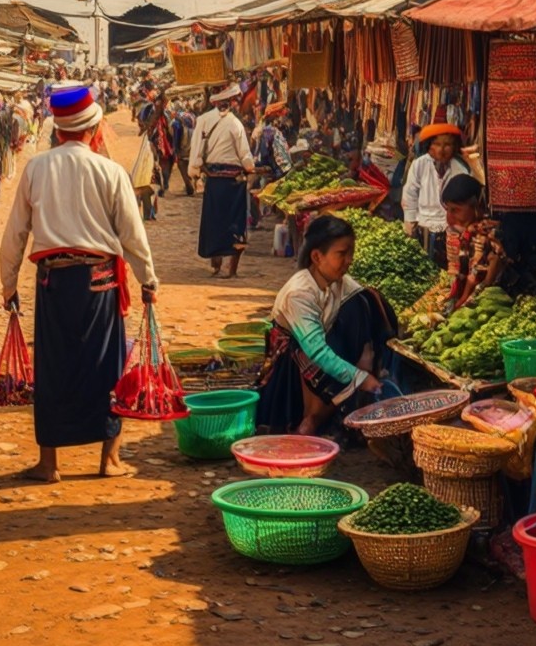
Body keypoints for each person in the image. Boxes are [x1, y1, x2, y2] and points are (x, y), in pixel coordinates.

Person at [0, 84, 159, 482]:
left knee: (53, 369)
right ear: (93, 129)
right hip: (99, 283)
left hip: (53, 283)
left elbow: (15, 233)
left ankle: (49, 463)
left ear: (58, 130)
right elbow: (132, 234)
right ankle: (110, 460)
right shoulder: (110, 171)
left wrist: (8, 286)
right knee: (107, 369)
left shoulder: (36, 167)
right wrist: (148, 280)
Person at [256, 214, 394, 434]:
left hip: (317, 352)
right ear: (317, 257)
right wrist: (360, 377)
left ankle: (321, 414)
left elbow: (366, 303)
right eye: (341, 253)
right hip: (292, 363)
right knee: (324, 359)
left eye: (351, 253)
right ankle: (311, 419)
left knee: (363, 301)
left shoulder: (339, 282)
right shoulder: (299, 294)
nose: (349, 260)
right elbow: (317, 352)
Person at [190, 85, 254, 278]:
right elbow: (244, 155)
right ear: (231, 102)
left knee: (214, 221)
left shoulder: (202, 120)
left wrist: (194, 170)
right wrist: (250, 168)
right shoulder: (235, 124)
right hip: (233, 182)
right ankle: (229, 268)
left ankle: (216, 263)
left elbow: (196, 152)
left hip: (213, 180)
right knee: (234, 223)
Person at [401, 122, 470, 265]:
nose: (442, 150)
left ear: (454, 147)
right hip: (423, 224)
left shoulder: (460, 168)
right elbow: (410, 193)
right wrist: (410, 221)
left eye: (447, 145)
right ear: (429, 146)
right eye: (437, 144)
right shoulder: (419, 164)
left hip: (450, 228)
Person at [440, 174, 506, 313]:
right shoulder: (461, 232)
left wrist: (461, 303)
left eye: (455, 210)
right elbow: (458, 271)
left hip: (493, 301)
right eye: (448, 209)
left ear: (475, 206)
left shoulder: (489, 234)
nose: (449, 217)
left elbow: (482, 280)